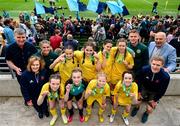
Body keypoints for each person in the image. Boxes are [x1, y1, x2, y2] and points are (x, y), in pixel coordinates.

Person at [131, 56, 170, 123]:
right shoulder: (144, 69)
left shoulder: (165, 76)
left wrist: (155, 100)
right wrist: (139, 91)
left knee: (150, 108)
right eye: (153, 64)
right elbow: (139, 81)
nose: (155, 67)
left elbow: (163, 90)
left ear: (162, 65)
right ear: (150, 63)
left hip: (154, 92)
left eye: (158, 65)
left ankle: (146, 113)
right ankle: (137, 108)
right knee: (138, 100)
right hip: (144, 88)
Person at [6, 28, 37, 100]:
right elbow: (8, 61)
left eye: (23, 37)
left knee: (33, 86)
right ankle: (27, 100)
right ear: (14, 37)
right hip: (20, 73)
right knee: (23, 87)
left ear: (26, 36)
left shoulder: (31, 46)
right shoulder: (9, 48)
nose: (21, 39)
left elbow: (37, 58)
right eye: (18, 37)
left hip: (31, 72)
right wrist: (16, 68)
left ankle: (34, 99)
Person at [110, 38, 134, 103]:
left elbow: (131, 67)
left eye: (123, 46)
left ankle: (118, 97)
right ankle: (112, 97)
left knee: (120, 87)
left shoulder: (129, 56)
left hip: (123, 75)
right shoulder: (114, 50)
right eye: (120, 45)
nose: (121, 47)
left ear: (126, 46)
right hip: (113, 73)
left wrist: (126, 65)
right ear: (117, 45)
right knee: (112, 86)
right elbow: (108, 48)